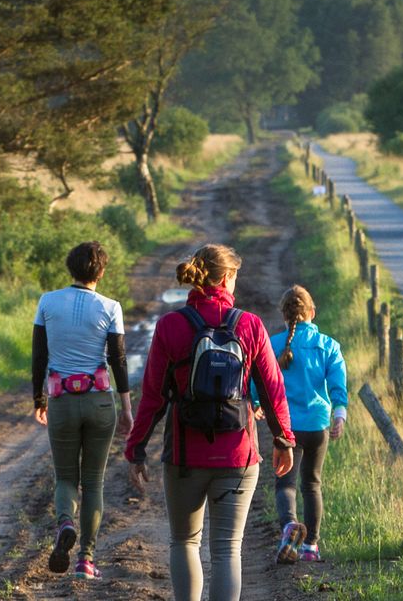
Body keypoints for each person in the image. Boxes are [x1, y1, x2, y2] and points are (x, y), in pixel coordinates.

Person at [124, 244, 297, 601]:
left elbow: (153, 397)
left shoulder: (171, 326)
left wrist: (136, 448)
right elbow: (272, 390)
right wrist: (283, 441)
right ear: (227, 277)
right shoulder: (249, 325)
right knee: (226, 549)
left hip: (185, 456)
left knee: (185, 542)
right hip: (239, 456)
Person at [31, 241, 134, 579]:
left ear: (69, 267)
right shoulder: (111, 307)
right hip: (100, 401)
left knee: (64, 477)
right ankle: (86, 561)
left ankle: (64, 524)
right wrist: (127, 407)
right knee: (93, 482)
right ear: (101, 272)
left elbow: (39, 357)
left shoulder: (47, 302)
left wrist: (39, 399)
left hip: (61, 400)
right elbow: (118, 360)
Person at [254, 285, 347, 565]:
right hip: (318, 424)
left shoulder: (273, 343)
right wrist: (339, 415)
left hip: (286, 427)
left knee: (285, 483)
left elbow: (258, 378)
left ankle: (289, 527)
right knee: (312, 484)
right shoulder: (329, 345)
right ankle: (311, 546)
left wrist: (257, 403)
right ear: (312, 313)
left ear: (284, 315)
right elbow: (337, 384)